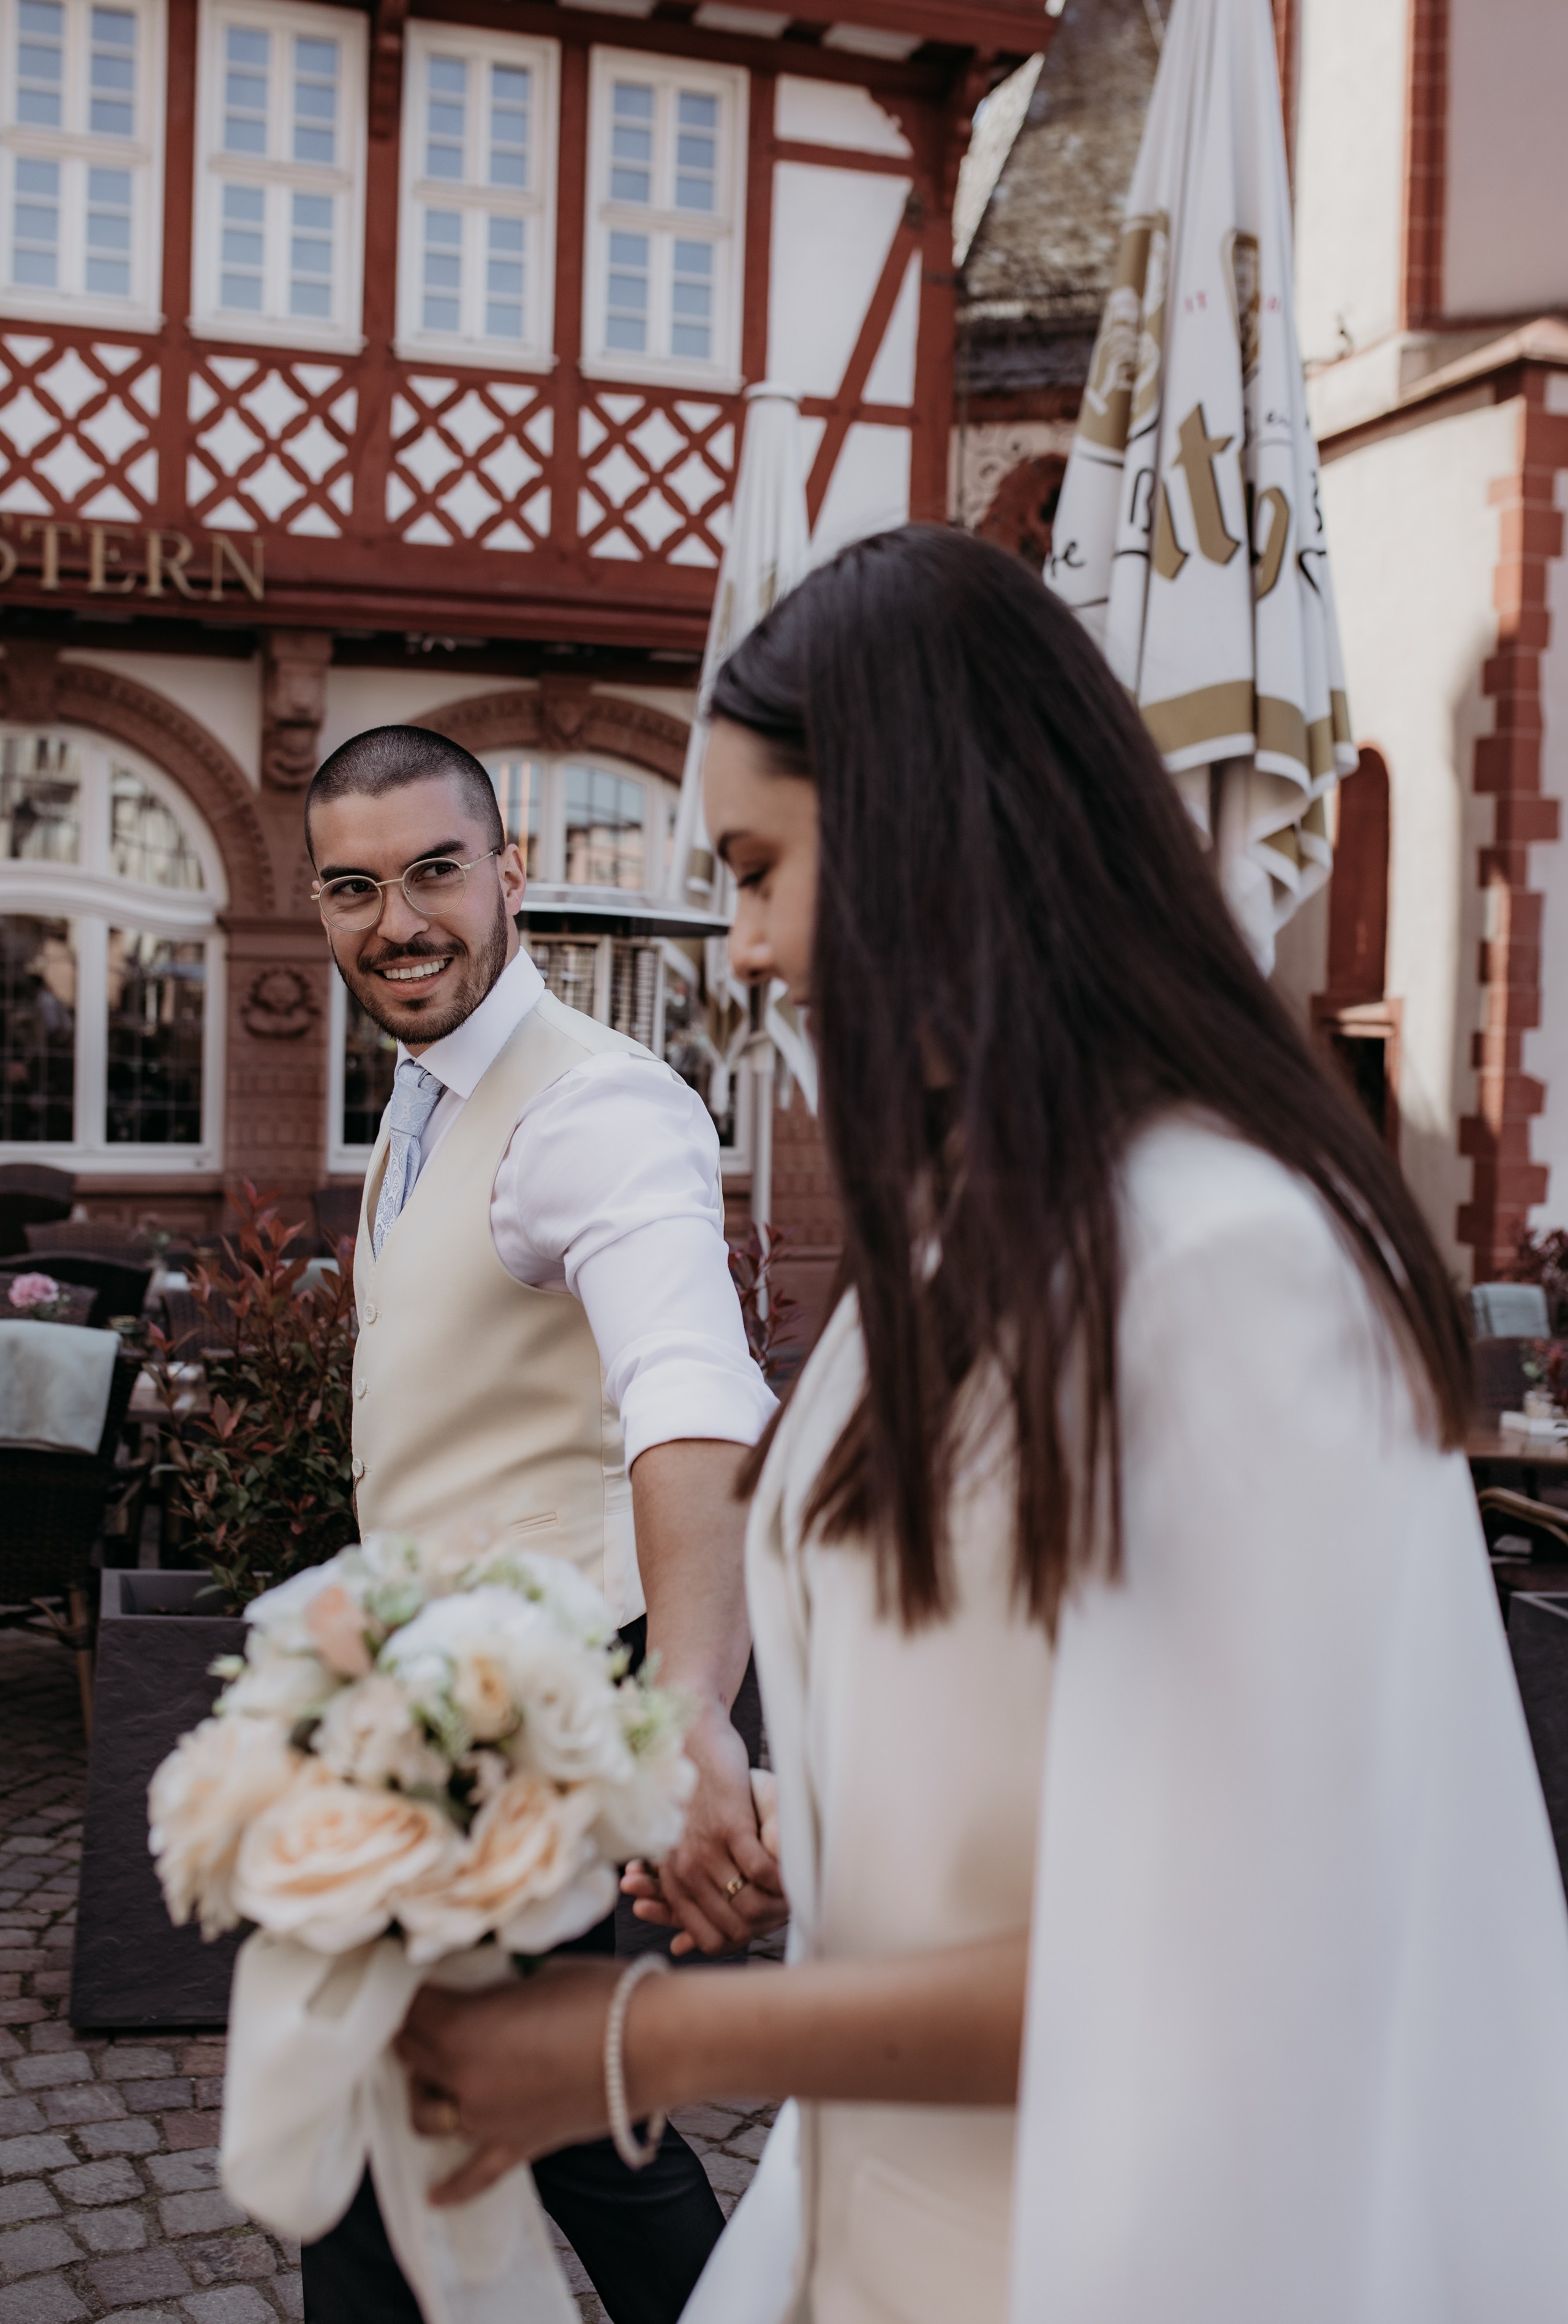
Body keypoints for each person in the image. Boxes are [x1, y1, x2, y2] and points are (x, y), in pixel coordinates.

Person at [393, 529, 1568, 2323]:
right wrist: (793, 1832)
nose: (747, 943)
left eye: (762, 869)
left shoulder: (1227, 1262)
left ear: (931, 834)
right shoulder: (960, 1238)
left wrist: (638, 2041)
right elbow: (1020, 1761)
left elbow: (1233, 1952)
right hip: (887, 2220)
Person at [298, 726, 785, 2324]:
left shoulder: (596, 1103)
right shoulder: (426, 1090)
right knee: (481, 2122)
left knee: (528, 2125)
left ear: (512, 872)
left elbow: (689, 1391)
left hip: (555, 1711)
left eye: (435, 872)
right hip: (436, 1709)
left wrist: (692, 1700)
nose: (397, 921)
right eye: (354, 888)